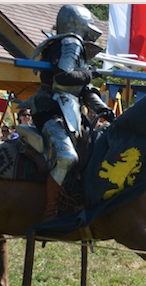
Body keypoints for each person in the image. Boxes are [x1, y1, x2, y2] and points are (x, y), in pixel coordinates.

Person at [22, 5, 115, 222]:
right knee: (66, 157)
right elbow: (63, 76)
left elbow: (84, 90)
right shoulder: (71, 42)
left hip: (70, 111)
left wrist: (103, 110)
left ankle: (76, 201)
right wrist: (89, 73)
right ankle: (50, 212)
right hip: (50, 110)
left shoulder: (76, 46)